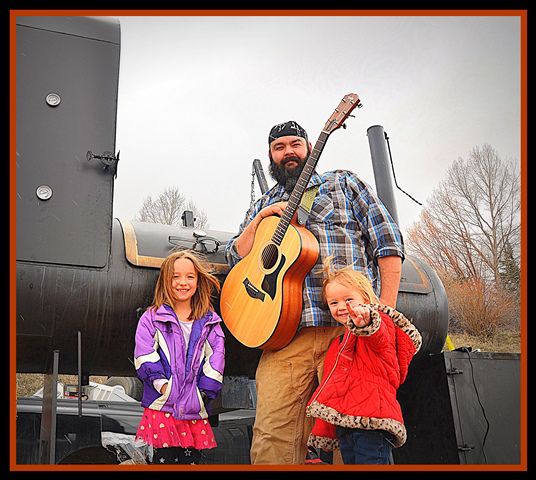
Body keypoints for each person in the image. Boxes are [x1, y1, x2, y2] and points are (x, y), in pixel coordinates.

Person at [224, 120, 405, 464]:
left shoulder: (344, 183)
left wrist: (383, 316)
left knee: (355, 432)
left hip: (350, 332)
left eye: (295, 144)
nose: (288, 152)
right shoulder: (265, 202)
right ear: (270, 156)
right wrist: (262, 216)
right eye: (280, 147)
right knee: (272, 433)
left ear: (309, 148)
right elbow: (236, 255)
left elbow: (388, 243)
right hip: (285, 335)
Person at [305, 257, 422, 464]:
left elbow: (380, 336)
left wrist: (366, 320)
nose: (341, 306)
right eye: (334, 302)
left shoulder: (376, 325)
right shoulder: (339, 342)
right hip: (347, 426)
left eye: (348, 300)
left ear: (366, 298)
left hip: (373, 423)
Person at [134, 250, 225, 464]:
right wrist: (164, 386)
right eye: (175, 276)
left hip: (194, 408)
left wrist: (203, 393)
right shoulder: (152, 318)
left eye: (190, 276)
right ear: (166, 280)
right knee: (163, 461)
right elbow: (144, 354)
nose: (182, 282)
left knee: (190, 462)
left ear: (198, 281)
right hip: (162, 406)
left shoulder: (210, 321)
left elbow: (216, 359)